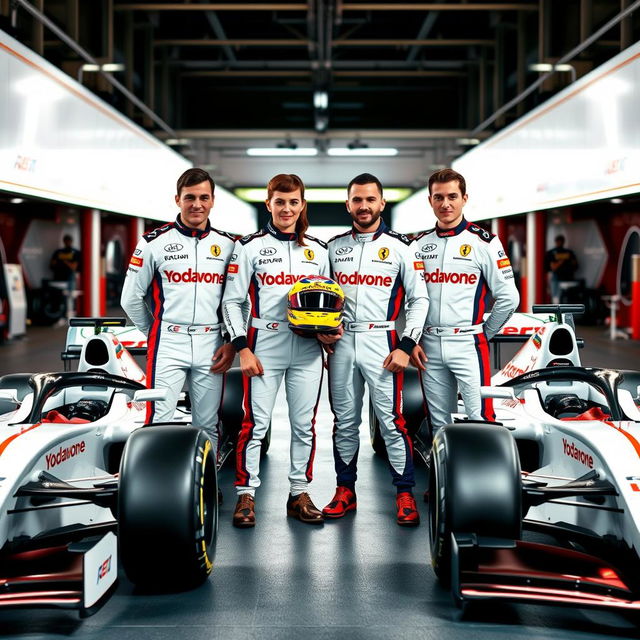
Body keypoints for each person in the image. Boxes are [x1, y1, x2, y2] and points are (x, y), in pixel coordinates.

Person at [222, 173, 331, 527]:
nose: (286, 208)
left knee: (305, 425)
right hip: (264, 346)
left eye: (293, 202)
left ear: (302, 205)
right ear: (268, 204)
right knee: (255, 425)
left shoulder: (318, 249)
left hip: (308, 348)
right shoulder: (249, 246)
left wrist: (332, 331)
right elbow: (232, 302)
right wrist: (243, 348)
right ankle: (245, 495)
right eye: (280, 202)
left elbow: (333, 300)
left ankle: (299, 493)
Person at [320, 173, 428, 526]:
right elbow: (317, 294)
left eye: (370, 200)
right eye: (357, 200)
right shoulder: (332, 248)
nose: (363, 206)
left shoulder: (402, 247)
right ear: (348, 204)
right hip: (341, 345)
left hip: (383, 342)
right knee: (344, 422)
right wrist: (321, 330)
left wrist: (406, 344)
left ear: (382, 203)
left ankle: (404, 493)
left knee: (392, 421)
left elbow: (419, 299)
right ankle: (344, 490)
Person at [120, 167, 236, 456]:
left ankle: (205, 483)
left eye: (203, 197)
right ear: (177, 200)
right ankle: (154, 483)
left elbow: (238, 300)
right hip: (168, 342)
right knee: (159, 419)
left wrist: (231, 341)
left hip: (213, 344)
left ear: (212, 201)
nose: (197, 204)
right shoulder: (152, 242)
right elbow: (130, 298)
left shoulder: (229, 245)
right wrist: (155, 332)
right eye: (190, 197)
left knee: (208, 423)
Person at [412, 168, 520, 434]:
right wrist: (413, 338)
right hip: (429, 345)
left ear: (464, 198)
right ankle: (447, 474)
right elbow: (412, 298)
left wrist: (485, 332)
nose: (445, 204)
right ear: (430, 200)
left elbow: (509, 297)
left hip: (468, 342)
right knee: (438, 423)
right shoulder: (418, 244)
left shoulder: (484, 242)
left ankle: (485, 474)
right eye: (438, 197)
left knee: (480, 417)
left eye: (452, 196)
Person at [545, 234, 579, 304]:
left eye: (561, 241)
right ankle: (556, 307)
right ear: (556, 242)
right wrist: (561, 261)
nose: (560, 243)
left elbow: (575, 264)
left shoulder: (568, 252)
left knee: (567, 297)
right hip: (556, 277)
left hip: (567, 277)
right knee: (556, 296)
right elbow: (553, 267)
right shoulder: (552, 252)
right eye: (558, 241)